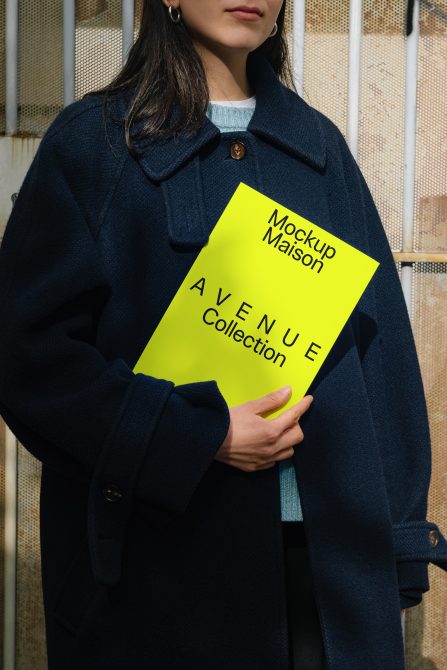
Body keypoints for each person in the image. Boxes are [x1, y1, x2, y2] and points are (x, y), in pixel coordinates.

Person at [0, 1, 446, 669]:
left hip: (325, 577)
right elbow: (29, 360)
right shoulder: (94, 143)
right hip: (161, 576)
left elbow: (379, 357)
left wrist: (398, 543)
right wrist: (195, 436)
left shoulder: (318, 147)